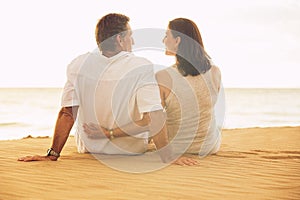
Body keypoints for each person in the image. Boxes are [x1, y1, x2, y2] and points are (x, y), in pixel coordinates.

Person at [18, 13, 197, 166]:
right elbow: (154, 114)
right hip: (131, 150)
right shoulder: (141, 66)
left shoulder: (78, 64)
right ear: (120, 40)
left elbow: (67, 112)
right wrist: (168, 156)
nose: (133, 41)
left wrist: (52, 154)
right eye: (130, 36)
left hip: (90, 150)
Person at [155, 18, 222, 156]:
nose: (163, 40)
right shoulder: (215, 72)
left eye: (167, 35)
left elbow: (155, 119)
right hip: (210, 146)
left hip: (178, 149)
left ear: (177, 41)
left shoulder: (163, 76)